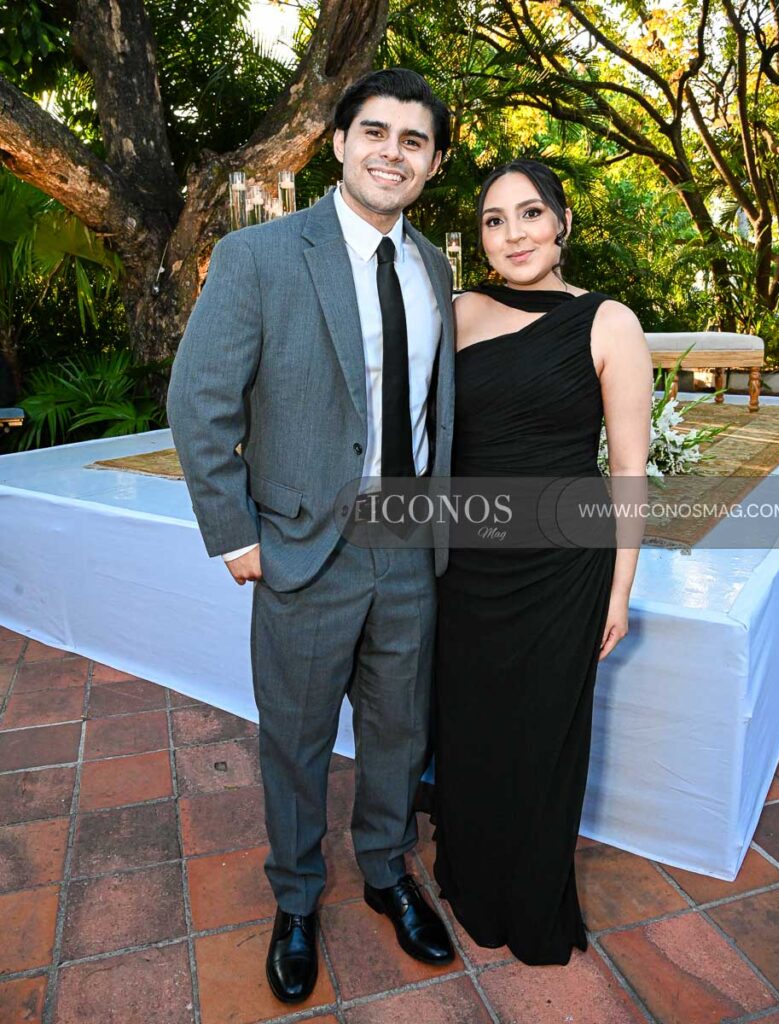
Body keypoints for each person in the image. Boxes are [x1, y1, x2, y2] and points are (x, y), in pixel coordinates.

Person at [167, 68, 457, 1005]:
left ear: (434, 163)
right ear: (336, 142)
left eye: (413, 141)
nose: (391, 152)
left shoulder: (434, 267)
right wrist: (232, 531)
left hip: (409, 534)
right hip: (301, 546)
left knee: (396, 727)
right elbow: (198, 403)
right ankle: (296, 898)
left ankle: (384, 872)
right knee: (293, 739)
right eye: (374, 131)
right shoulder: (259, 255)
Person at [432, 159, 652, 966]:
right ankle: (464, 874)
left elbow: (628, 469)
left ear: (561, 223)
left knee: (540, 737)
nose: (513, 233)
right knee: (465, 728)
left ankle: (529, 898)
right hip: (465, 564)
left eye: (529, 214)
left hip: (563, 569)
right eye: (494, 220)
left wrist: (619, 589)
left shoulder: (607, 322)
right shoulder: (454, 312)